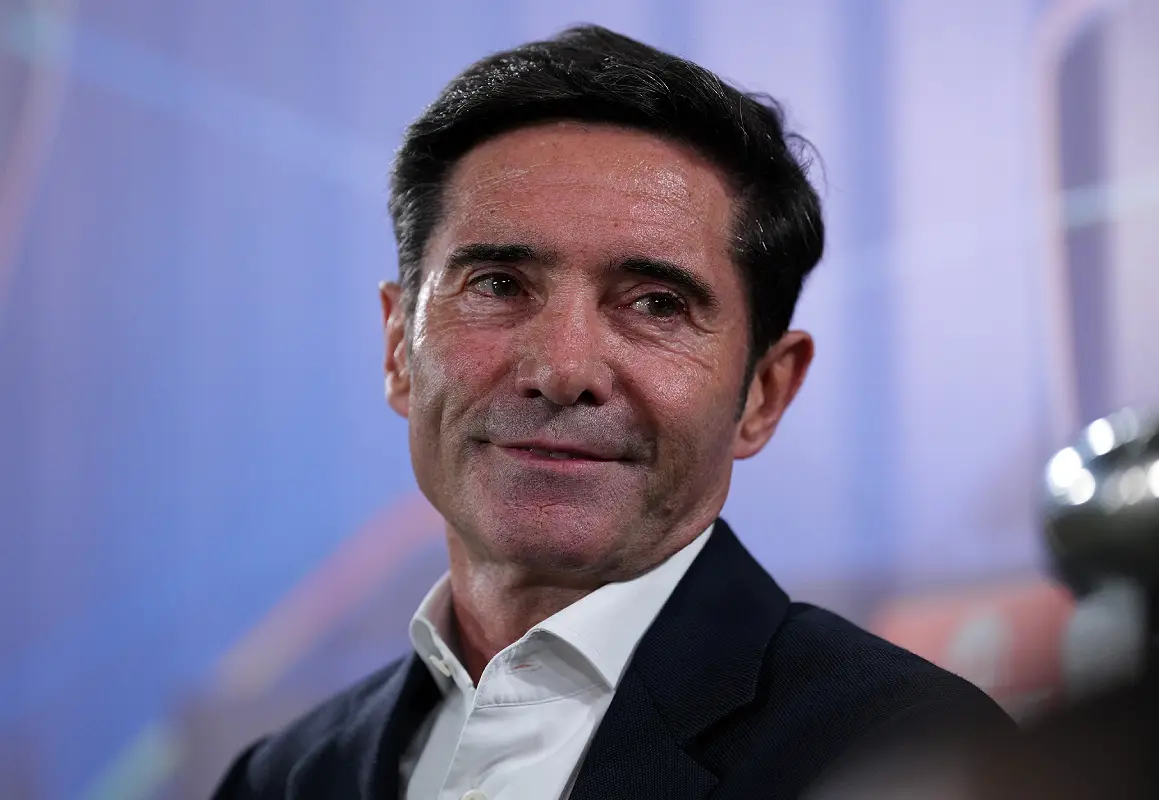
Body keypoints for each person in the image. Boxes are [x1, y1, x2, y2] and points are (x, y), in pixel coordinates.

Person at [212, 24, 1011, 800]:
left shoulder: (915, 760)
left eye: (657, 304)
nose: (562, 371)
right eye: (498, 285)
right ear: (398, 350)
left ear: (764, 393)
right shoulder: (282, 779)